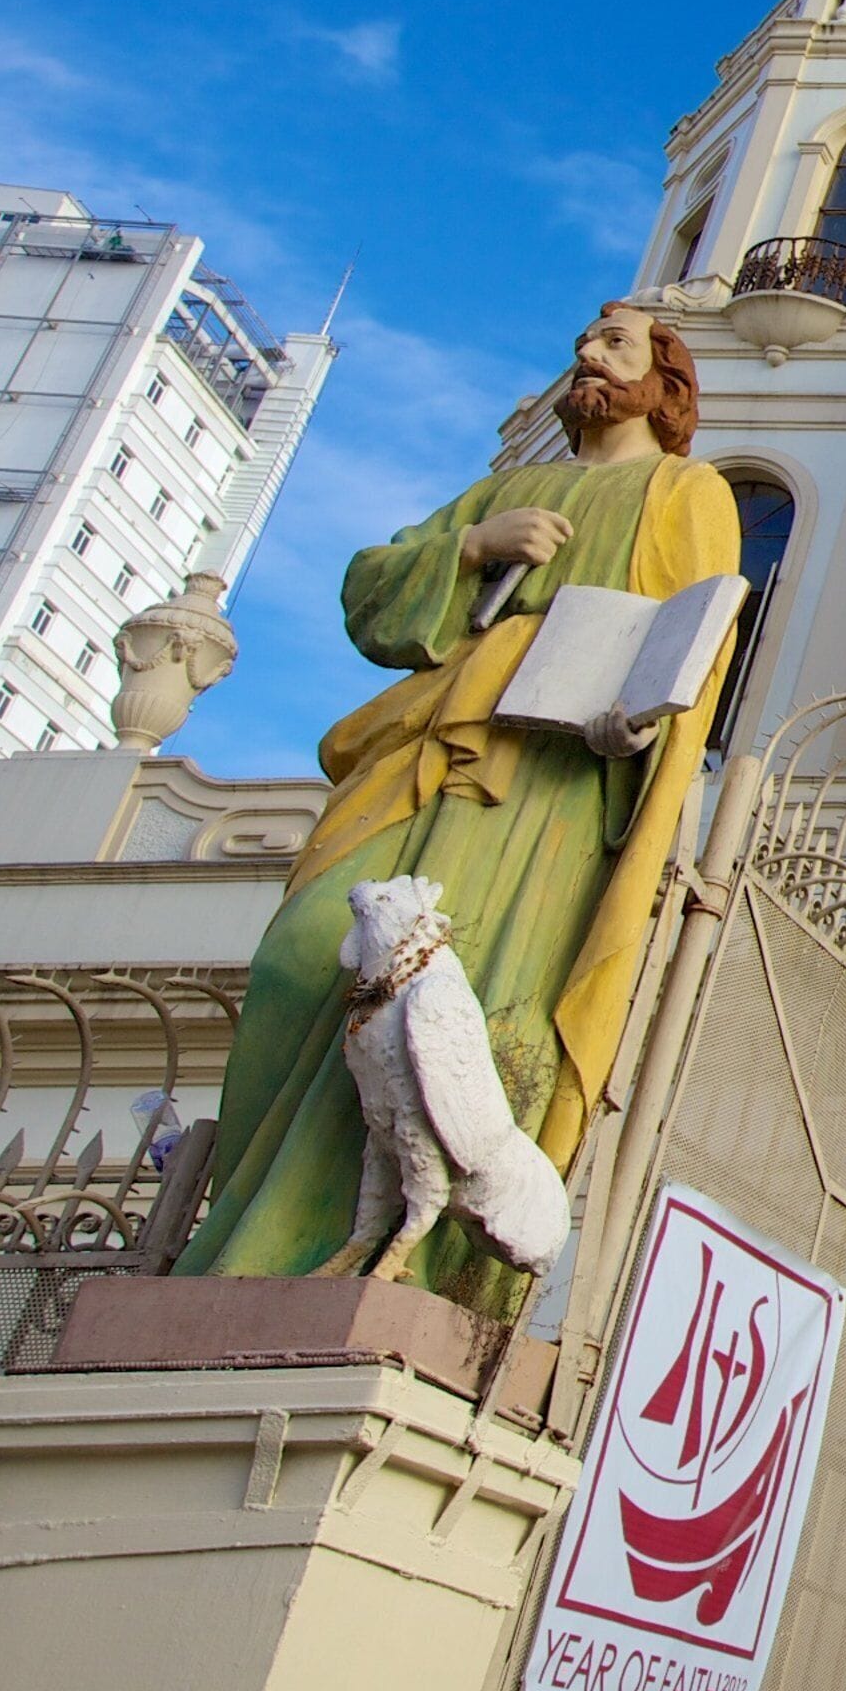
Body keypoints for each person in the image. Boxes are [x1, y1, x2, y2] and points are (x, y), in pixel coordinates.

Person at [179, 305, 740, 1301]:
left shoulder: (685, 490)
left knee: (471, 1010)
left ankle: (413, 1265)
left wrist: (638, 728)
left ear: (666, 383)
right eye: (587, 338)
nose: (586, 353)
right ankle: (254, 1237)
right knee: (306, 954)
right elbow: (376, 591)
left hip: (550, 790)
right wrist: (476, 543)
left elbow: (694, 642)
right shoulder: (509, 485)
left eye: (615, 344)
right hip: (434, 746)